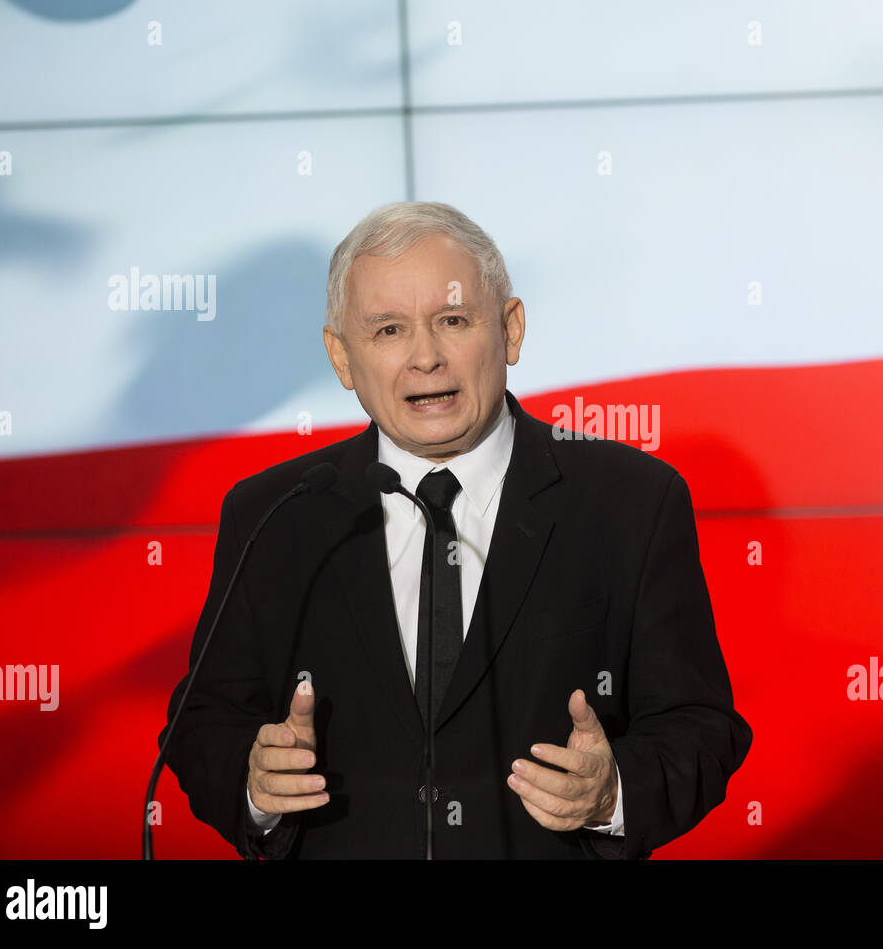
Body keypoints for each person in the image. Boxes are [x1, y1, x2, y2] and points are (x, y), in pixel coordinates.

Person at [158, 202, 752, 858]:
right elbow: (202, 724)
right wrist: (254, 778)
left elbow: (701, 726)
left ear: (511, 330)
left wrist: (612, 791)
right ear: (342, 357)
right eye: (387, 330)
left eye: (453, 321)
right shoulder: (276, 513)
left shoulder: (631, 502)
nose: (425, 358)